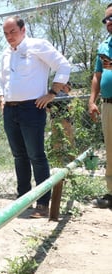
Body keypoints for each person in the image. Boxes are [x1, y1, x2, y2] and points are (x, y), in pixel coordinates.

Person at [0, 16, 71, 218]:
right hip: (10, 110)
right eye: (6, 33)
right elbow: (2, 80)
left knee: (36, 155)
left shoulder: (38, 45)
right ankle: (23, 199)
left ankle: (42, 203)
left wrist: (52, 93)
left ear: (23, 29)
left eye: (13, 31)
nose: (9, 36)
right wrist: (2, 98)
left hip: (32, 108)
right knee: (18, 156)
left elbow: (63, 66)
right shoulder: (5, 54)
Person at [89, 3, 112, 209]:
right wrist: (92, 101)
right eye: (106, 19)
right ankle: (111, 193)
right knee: (111, 148)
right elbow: (98, 76)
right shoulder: (104, 46)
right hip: (108, 105)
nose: (109, 22)